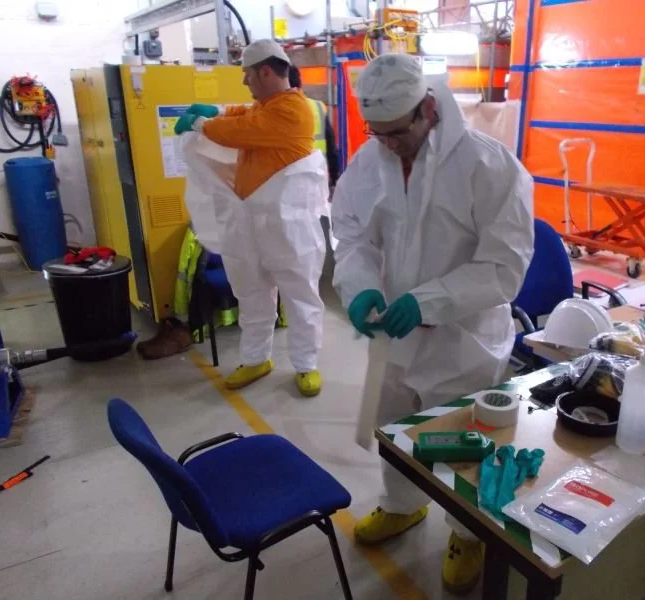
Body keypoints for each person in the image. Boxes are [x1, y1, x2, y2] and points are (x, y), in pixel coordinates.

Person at [331, 54, 534, 594]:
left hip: (462, 341)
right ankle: (402, 507)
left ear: (428, 108)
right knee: (395, 430)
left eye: (398, 133)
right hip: (392, 336)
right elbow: (351, 235)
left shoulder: (490, 167)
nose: (389, 145)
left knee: (459, 446)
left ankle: (467, 534)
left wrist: (430, 300)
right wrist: (360, 284)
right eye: (378, 134)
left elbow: (504, 267)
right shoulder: (370, 158)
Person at [174, 39, 328, 398]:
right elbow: (241, 114)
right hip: (250, 220)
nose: (244, 82)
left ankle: (306, 365)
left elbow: (240, 131)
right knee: (251, 291)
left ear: (266, 71)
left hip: (287, 223)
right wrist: (213, 110)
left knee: (298, 293)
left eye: (246, 74)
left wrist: (201, 122)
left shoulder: (294, 110)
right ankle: (257, 358)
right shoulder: (269, 106)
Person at [288, 65, 340, 188]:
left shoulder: (279, 109)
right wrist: (334, 177)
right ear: (300, 82)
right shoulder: (318, 106)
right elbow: (331, 146)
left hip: (293, 180)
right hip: (319, 175)